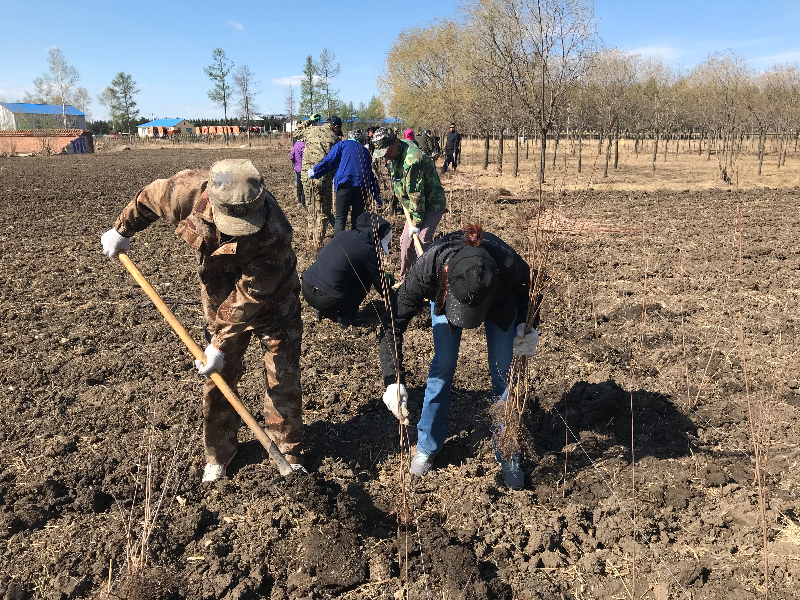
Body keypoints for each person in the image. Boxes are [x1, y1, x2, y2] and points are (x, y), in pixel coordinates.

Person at [99, 159, 305, 482]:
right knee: (219, 375)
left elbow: (249, 295)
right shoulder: (186, 191)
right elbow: (150, 197)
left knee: (283, 375)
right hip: (220, 296)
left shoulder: (274, 232)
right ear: (212, 200)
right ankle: (219, 454)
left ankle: (287, 453)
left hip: (274, 301)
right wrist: (121, 229)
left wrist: (218, 343)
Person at [378, 224, 540, 489]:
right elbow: (391, 324)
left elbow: (532, 288)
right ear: (446, 275)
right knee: (442, 366)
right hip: (446, 297)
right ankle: (427, 445)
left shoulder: (508, 263)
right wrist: (392, 379)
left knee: (504, 373)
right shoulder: (427, 270)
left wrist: (527, 326)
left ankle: (508, 451)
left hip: (500, 303)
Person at [372, 127, 446, 281]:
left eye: (386, 151)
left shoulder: (412, 160)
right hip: (413, 206)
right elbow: (400, 185)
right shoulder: (396, 153)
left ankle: (428, 282)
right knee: (406, 243)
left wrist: (416, 223)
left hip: (431, 204)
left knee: (422, 242)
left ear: (396, 142)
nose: (384, 155)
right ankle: (406, 282)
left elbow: (416, 194)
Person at [301, 212, 393, 329]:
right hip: (327, 299)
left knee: (339, 274)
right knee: (365, 278)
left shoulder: (343, 234)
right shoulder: (368, 250)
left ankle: (322, 310)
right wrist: (397, 302)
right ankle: (346, 317)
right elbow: (381, 285)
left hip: (308, 289)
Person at [308, 129, 381, 234]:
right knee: (357, 219)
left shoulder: (342, 145)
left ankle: (340, 242)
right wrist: (377, 195)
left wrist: (315, 171)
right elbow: (370, 174)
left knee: (340, 218)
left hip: (344, 184)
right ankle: (355, 242)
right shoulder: (365, 151)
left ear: (349, 137)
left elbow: (330, 161)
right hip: (361, 187)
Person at [295, 114, 343, 253]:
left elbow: (296, 133)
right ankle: (318, 243)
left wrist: (309, 121)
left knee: (311, 208)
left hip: (306, 176)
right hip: (323, 177)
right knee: (323, 211)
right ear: (335, 127)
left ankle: (310, 238)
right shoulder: (335, 139)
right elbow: (336, 162)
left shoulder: (311, 130)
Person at [289, 138, 306, 210]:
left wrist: (294, 164)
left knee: (299, 185)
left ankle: (299, 202)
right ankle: (304, 202)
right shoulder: (305, 145)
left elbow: (291, 156)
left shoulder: (296, 145)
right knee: (304, 185)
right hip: (305, 169)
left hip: (298, 168)